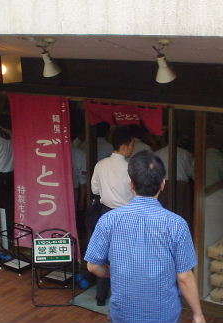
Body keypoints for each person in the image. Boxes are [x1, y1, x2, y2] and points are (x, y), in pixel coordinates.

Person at [85, 150, 205, 323]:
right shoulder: (176, 224)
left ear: (131, 184)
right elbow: (184, 277)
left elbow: (92, 266)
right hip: (163, 314)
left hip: (123, 313)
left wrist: (113, 273)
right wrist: (198, 314)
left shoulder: (108, 220)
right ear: (163, 184)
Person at [89, 126, 135, 306]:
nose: (133, 148)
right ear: (126, 145)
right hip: (127, 215)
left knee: (104, 255)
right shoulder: (131, 167)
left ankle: (101, 296)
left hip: (105, 213)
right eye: (132, 144)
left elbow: (94, 189)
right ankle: (122, 297)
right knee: (125, 257)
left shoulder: (101, 164)